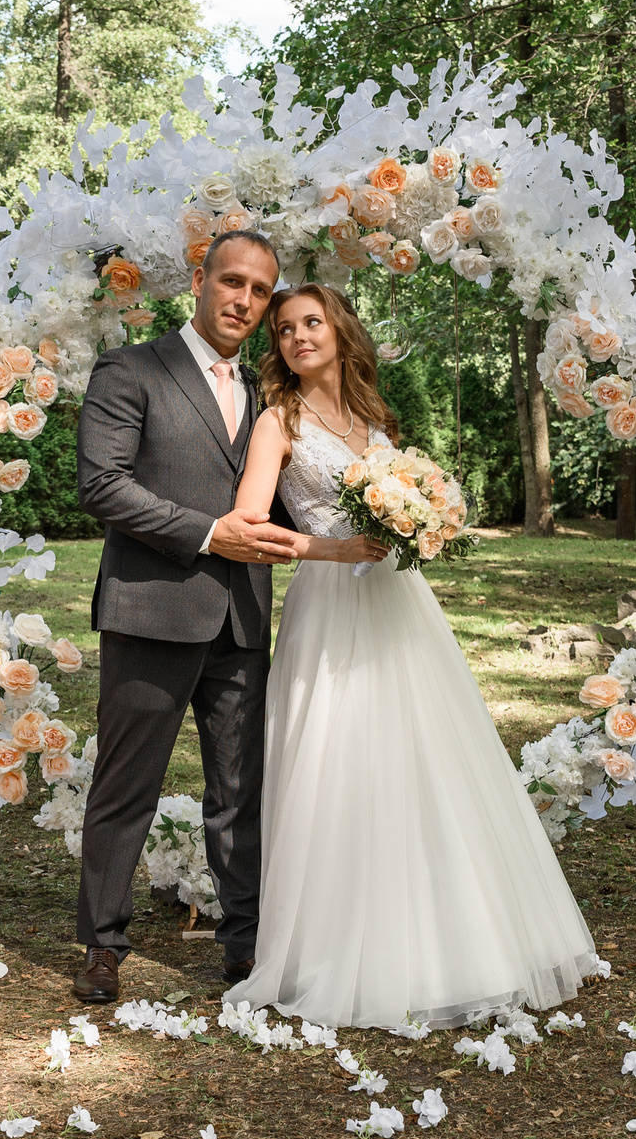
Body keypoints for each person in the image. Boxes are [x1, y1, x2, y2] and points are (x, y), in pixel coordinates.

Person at [229, 283, 603, 1029]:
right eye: (286, 330)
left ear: (339, 330)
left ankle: (451, 939)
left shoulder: (374, 417)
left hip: (398, 603)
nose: (300, 337)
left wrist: (421, 525)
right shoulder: (278, 422)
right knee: (337, 758)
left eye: (312, 322)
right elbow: (247, 525)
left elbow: (402, 506)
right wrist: (332, 547)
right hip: (329, 604)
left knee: (421, 753)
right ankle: (334, 947)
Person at [71, 230, 306, 1005]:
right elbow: (101, 484)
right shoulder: (132, 369)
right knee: (125, 785)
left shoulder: (273, 397)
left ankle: (245, 947)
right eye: (232, 282)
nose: (244, 300)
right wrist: (209, 533)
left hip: (242, 619)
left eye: (260, 291)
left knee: (240, 789)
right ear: (199, 280)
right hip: (151, 609)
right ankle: (102, 945)